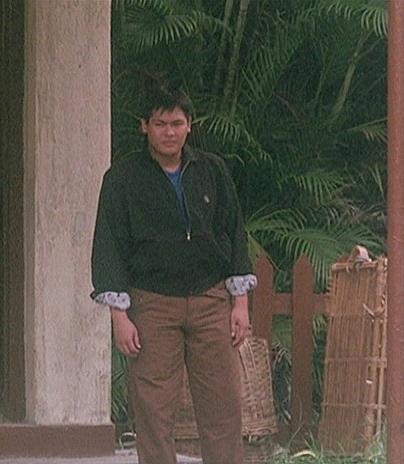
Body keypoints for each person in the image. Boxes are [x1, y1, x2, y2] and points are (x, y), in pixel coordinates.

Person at [90, 88, 257, 464]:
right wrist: (120, 317)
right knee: (153, 412)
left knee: (223, 408)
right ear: (144, 126)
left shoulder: (213, 170)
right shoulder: (123, 178)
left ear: (189, 126)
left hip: (210, 301)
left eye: (177, 123)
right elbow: (109, 245)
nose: (169, 132)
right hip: (152, 304)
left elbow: (234, 234)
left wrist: (240, 303)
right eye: (160, 124)